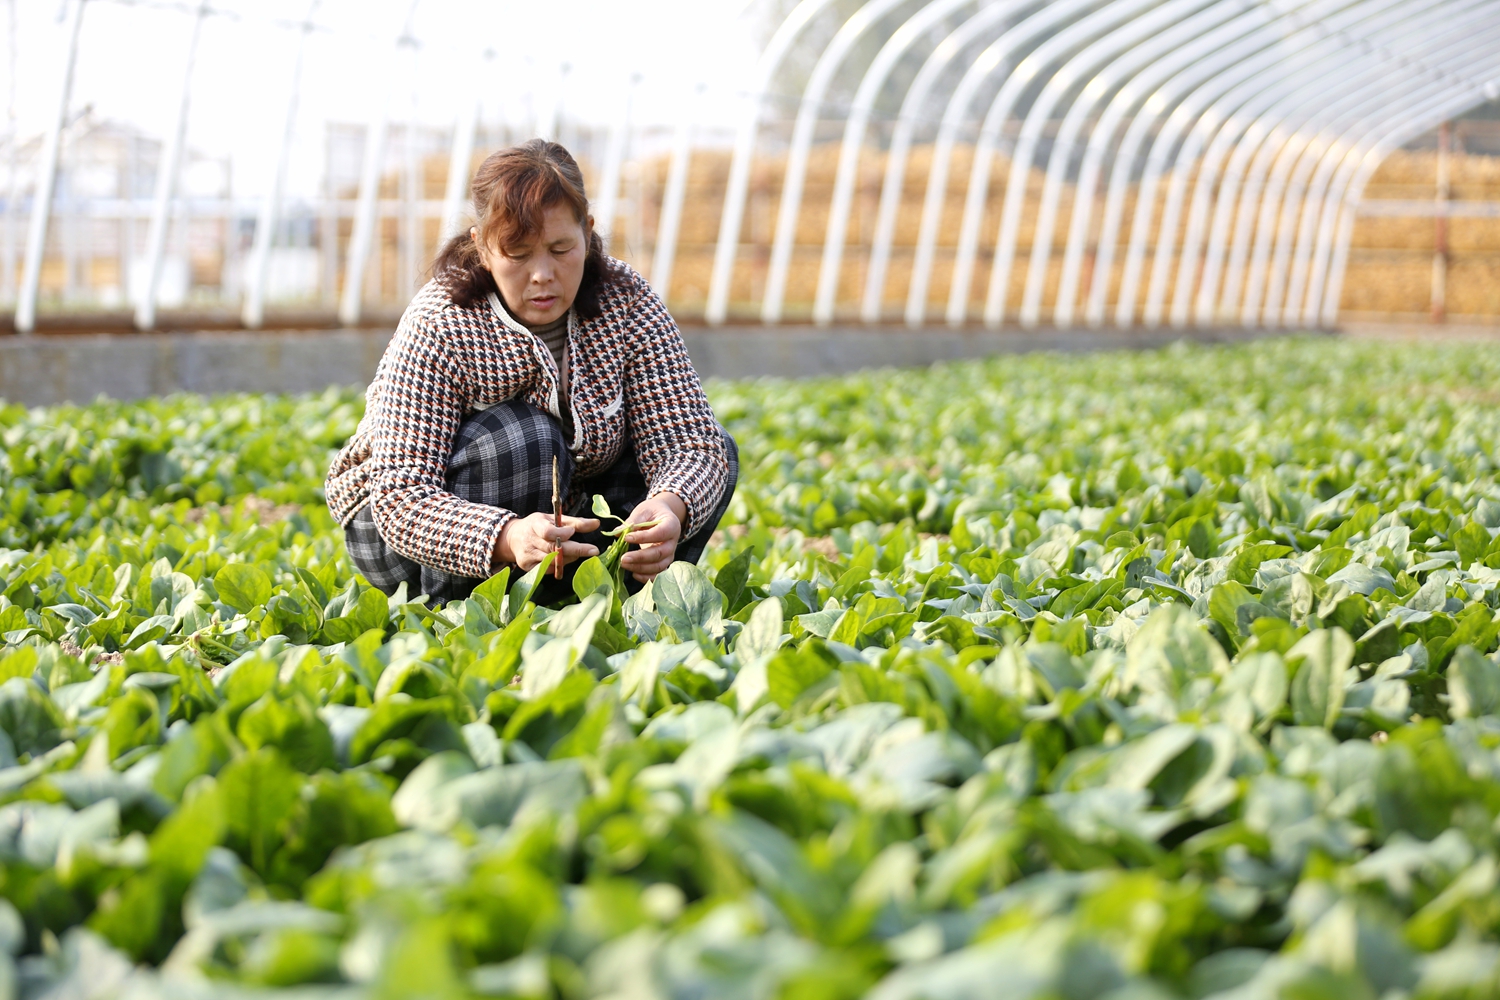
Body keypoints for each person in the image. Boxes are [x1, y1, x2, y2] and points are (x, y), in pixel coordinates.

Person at [325, 139, 737, 604]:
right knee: (524, 438)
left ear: (588, 232)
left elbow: (690, 444)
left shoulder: (626, 301)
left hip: (560, 511)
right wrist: (507, 536)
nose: (542, 274)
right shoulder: (443, 321)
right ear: (482, 247)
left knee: (715, 450)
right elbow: (401, 497)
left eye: (561, 249)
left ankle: (610, 603)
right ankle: (464, 614)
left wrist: (669, 507)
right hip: (397, 538)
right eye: (518, 255)